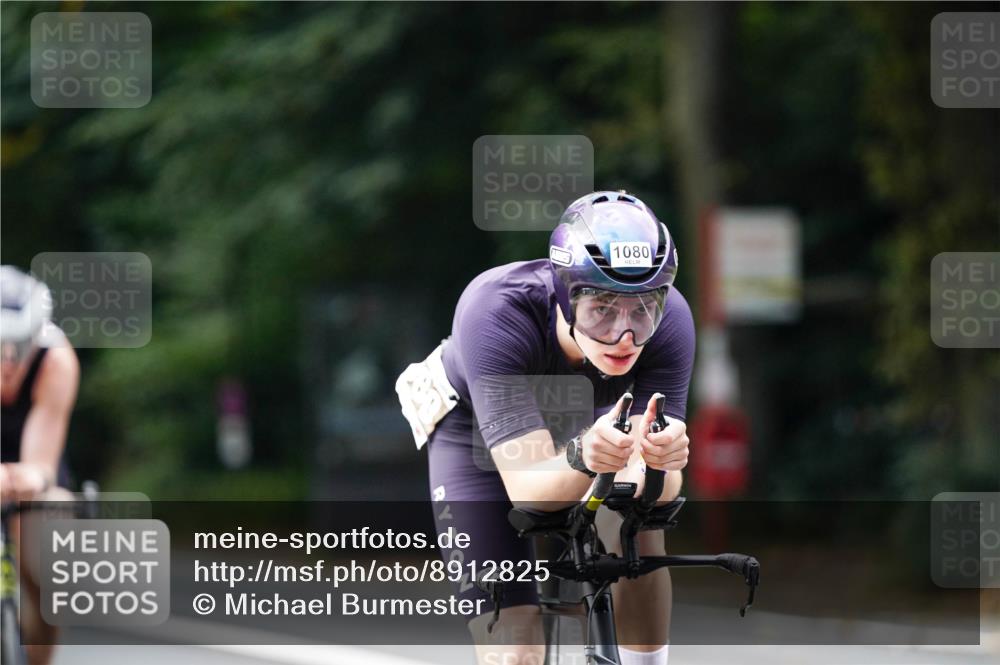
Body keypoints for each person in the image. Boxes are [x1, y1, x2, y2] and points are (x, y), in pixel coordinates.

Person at [397, 191, 694, 665]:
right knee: (516, 648)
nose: (625, 335)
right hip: (477, 435)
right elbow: (530, 489)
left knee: (638, 522)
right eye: (602, 308)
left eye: (642, 309)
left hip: (593, 428)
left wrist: (659, 464)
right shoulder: (495, 312)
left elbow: (659, 484)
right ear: (564, 294)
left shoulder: (670, 319)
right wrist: (583, 456)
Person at [0, 265, 79, 665]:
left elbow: (40, 466)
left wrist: (25, 479)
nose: (6, 362)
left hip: (28, 464)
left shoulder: (56, 360)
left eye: (15, 346)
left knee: (48, 550)